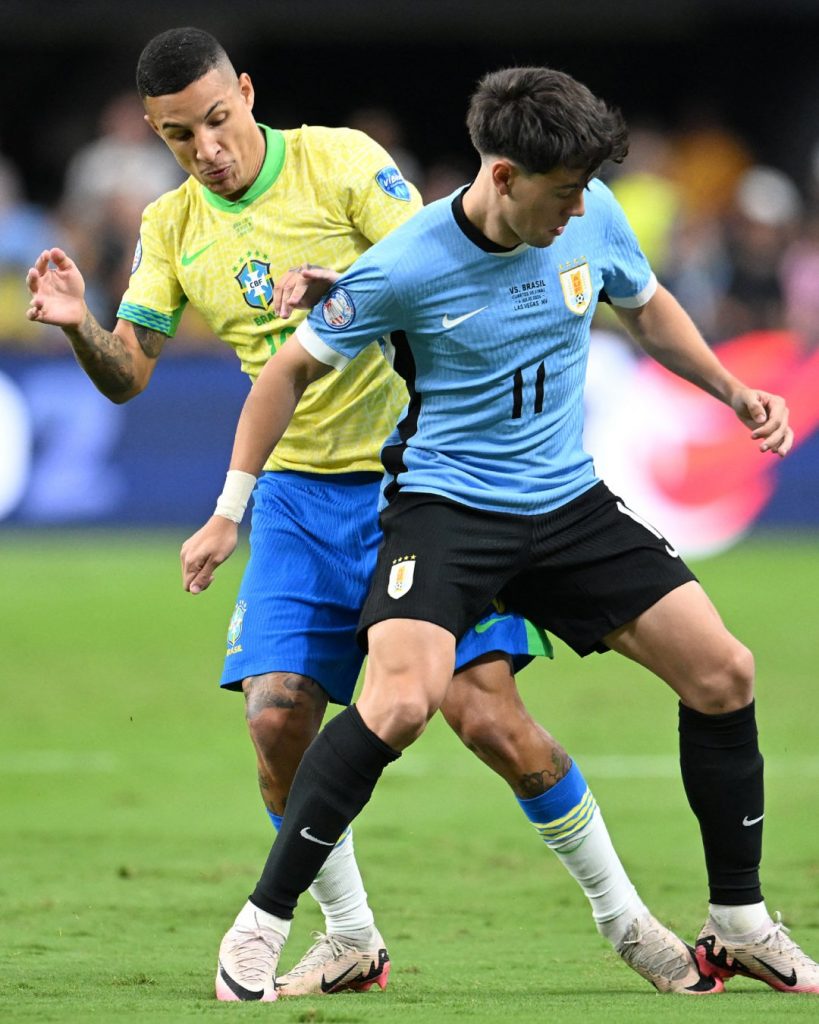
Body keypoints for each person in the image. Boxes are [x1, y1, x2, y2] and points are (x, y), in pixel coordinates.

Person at [24, 31, 712, 1003]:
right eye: (181, 135)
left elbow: (439, 255)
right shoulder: (172, 226)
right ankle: (349, 936)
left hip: (425, 482)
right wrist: (81, 327)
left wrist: (341, 291)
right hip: (300, 497)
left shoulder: (342, 160)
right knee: (275, 721)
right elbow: (130, 375)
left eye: (219, 119)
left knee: (490, 720)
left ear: (248, 93)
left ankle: (626, 919)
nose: (208, 146)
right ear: (155, 133)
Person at [180, 65, 819, 1000]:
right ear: (504, 174)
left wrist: (729, 389)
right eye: (559, 194)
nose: (576, 211)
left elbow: (640, 305)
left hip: (567, 507)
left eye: (582, 192)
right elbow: (285, 375)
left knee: (725, 673)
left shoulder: (589, 209)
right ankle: (264, 922)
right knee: (399, 701)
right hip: (448, 511)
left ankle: (739, 923)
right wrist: (230, 507)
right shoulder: (407, 261)